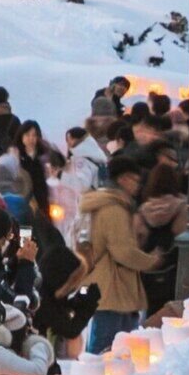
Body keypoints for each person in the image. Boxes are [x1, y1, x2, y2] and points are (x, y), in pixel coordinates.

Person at [68, 148, 165, 356]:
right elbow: (124, 252)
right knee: (107, 348)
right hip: (113, 288)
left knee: (112, 345)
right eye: (135, 180)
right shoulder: (114, 209)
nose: (138, 185)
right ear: (123, 179)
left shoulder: (99, 204)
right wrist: (151, 261)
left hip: (102, 284)